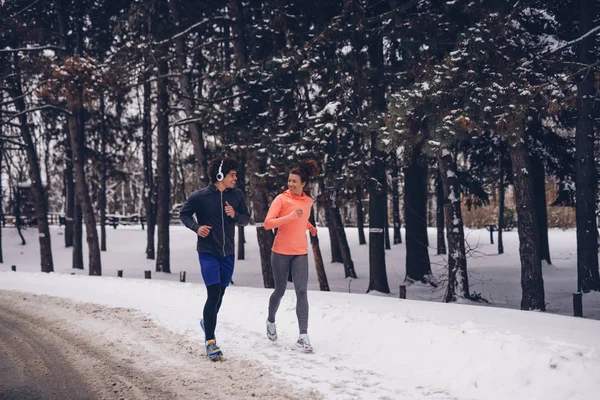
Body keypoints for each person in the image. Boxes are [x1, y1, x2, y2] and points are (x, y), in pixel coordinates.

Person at [179, 157, 250, 361]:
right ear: (220, 175)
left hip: (228, 253)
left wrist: (234, 214)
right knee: (213, 293)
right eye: (232, 175)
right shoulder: (199, 196)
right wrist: (197, 228)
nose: (235, 178)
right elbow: (184, 215)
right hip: (207, 251)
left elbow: (246, 218)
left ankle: (207, 321)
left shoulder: (236, 195)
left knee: (221, 293)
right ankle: (210, 342)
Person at [263, 159, 319, 353]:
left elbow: (302, 219)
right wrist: (289, 217)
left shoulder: (308, 201)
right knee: (279, 290)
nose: (291, 184)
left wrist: (310, 227)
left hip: (300, 253)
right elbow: (268, 223)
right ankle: (271, 320)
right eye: (289, 180)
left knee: (302, 292)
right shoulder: (281, 199)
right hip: (280, 252)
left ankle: (303, 336)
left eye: (295, 181)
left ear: (303, 184)